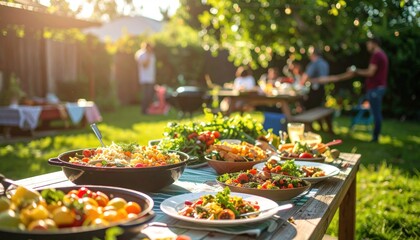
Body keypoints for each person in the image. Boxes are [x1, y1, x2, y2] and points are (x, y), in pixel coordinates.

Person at [313, 37, 388, 142]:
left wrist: (356, 71)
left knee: (376, 113)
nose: (367, 46)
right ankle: (375, 137)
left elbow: (370, 72)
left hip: (375, 88)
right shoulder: (382, 54)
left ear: (374, 43)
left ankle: (375, 138)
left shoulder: (377, 55)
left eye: (368, 44)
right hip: (378, 87)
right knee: (375, 112)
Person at [135, 42, 156, 114]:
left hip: (151, 78)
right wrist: (148, 56)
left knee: (150, 95)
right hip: (144, 78)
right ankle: (144, 110)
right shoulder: (141, 54)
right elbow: (145, 65)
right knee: (145, 95)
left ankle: (149, 109)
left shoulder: (152, 54)